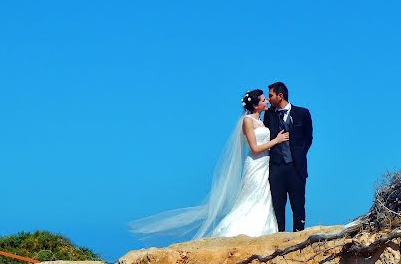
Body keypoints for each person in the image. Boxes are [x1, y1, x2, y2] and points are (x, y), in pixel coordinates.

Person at [129, 89, 290, 240]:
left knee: (263, 196)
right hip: (255, 164)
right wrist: (276, 140)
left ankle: (264, 229)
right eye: (263, 100)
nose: (267, 101)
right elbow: (254, 148)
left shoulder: (261, 121)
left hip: (265, 164)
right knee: (253, 195)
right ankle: (241, 231)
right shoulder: (247, 121)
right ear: (256, 105)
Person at [265, 82, 313, 232]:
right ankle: (280, 234)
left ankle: (299, 233)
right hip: (276, 166)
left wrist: (298, 155)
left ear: (280, 96)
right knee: (277, 203)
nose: (268, 99)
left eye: (271, 95)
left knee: (298, 202)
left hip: (295, 166)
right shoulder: (269, 115)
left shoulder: (302, 113)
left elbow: (308, 138)